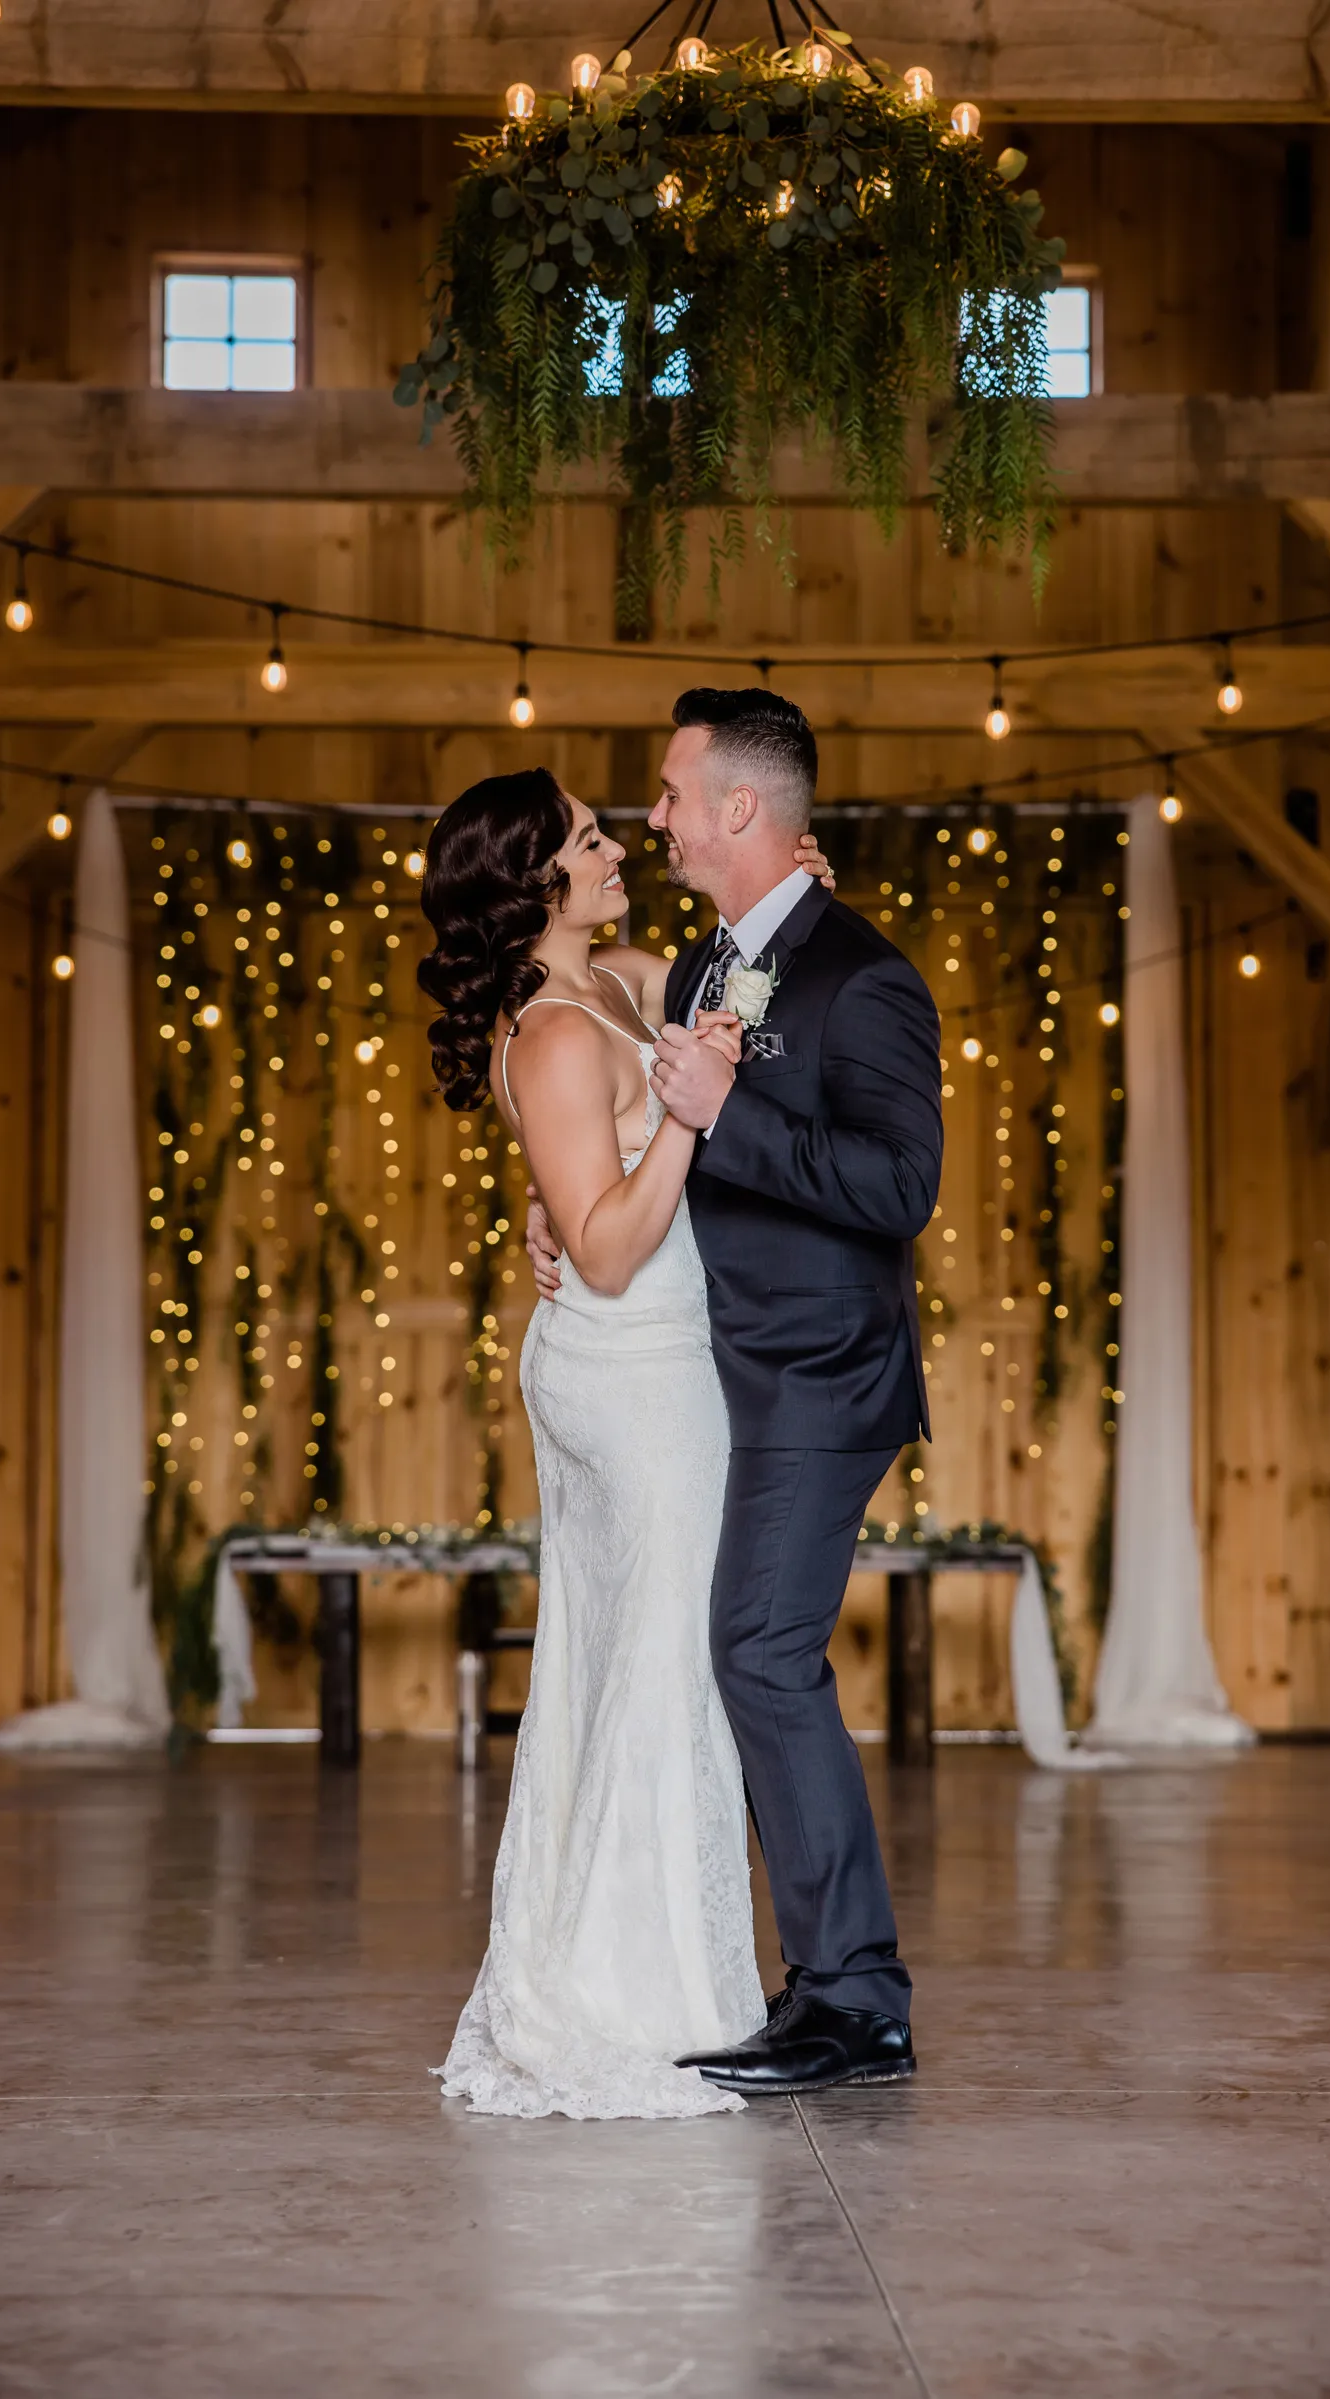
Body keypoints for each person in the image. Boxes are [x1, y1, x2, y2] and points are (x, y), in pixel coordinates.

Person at [528, 689, 943, 2096]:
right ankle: (829, 1982)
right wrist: (569, 1209)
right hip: (719, 1372)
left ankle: (855, 1999)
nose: (654, 818)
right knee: (748, 1656)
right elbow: (660, 1135)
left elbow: (901, 1187)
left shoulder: (863, 979)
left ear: (741, 811)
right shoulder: (714, 965)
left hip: (821, 1374)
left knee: (761, 1654)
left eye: (668, 794)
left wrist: (725, 1116)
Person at [417, 763, 837, 2119]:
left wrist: (782, 912)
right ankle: (632, 2000)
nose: (615, 849)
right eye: (592, 839)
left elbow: (729, 1005)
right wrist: (688, 1123)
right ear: (540, 878)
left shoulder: (624, 975)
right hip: (625, 1366)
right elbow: (598, 1248)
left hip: (677, 1360)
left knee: (666, 1664)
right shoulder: (548, 1032)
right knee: (654, 1664)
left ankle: (677, 1973)